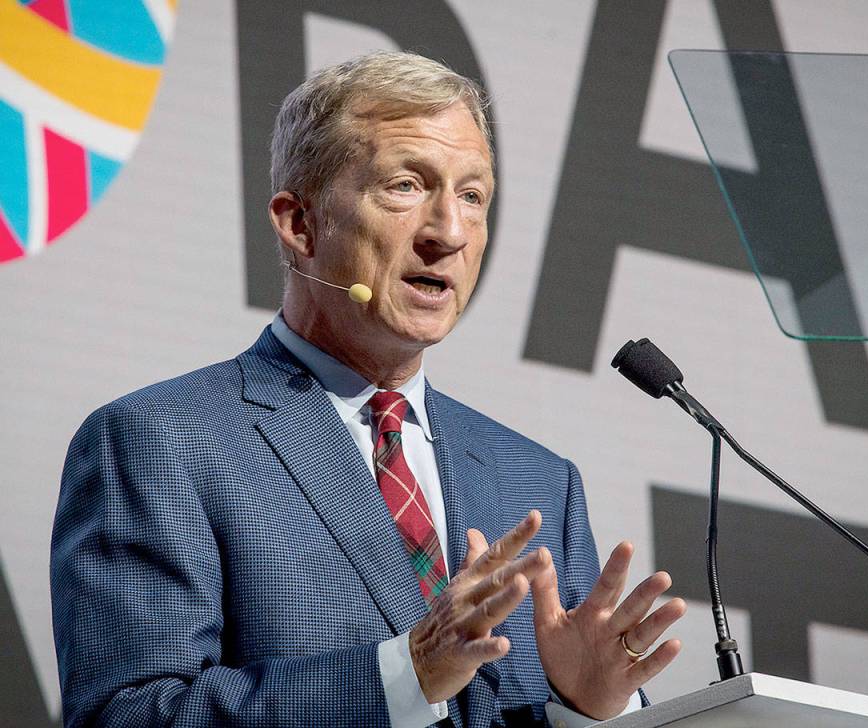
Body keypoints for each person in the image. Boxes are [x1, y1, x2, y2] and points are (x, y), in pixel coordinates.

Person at [51, 51, 686, 727]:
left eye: (472, 197)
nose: (449, 233)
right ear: (300, 225)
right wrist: (407, 675)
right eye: (406, 186)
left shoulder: (540, 481)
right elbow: (127, 715)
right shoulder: (161, 441)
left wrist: (588, 706)